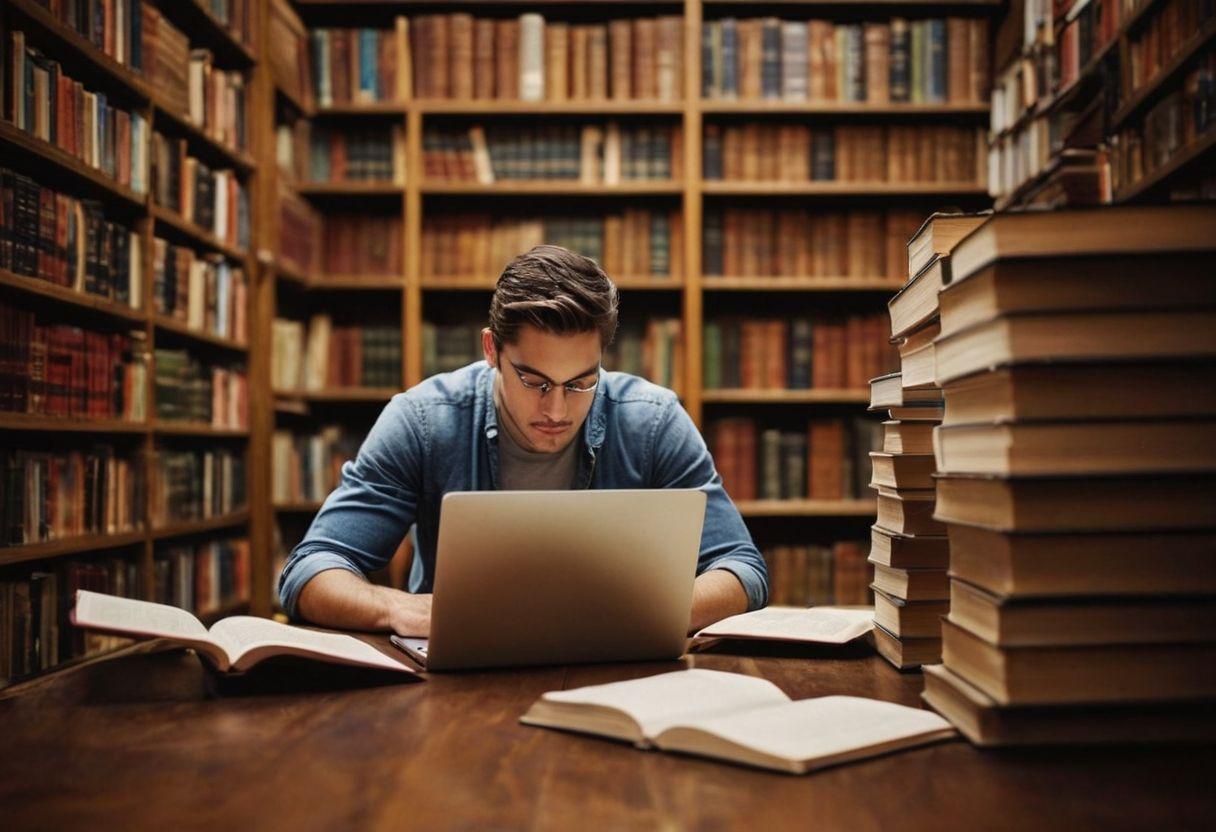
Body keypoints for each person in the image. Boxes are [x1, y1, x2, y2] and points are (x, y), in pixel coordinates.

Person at [278, 245, 769, 636]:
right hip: (454, 685)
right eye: (535, 382)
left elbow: (742, 568)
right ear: (492, 349)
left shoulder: (654, 421)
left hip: (618, 671)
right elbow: (311, 570)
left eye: (580, 383)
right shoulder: (424, 420)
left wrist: (647, 613)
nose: (556, 410)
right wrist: (396, 608)